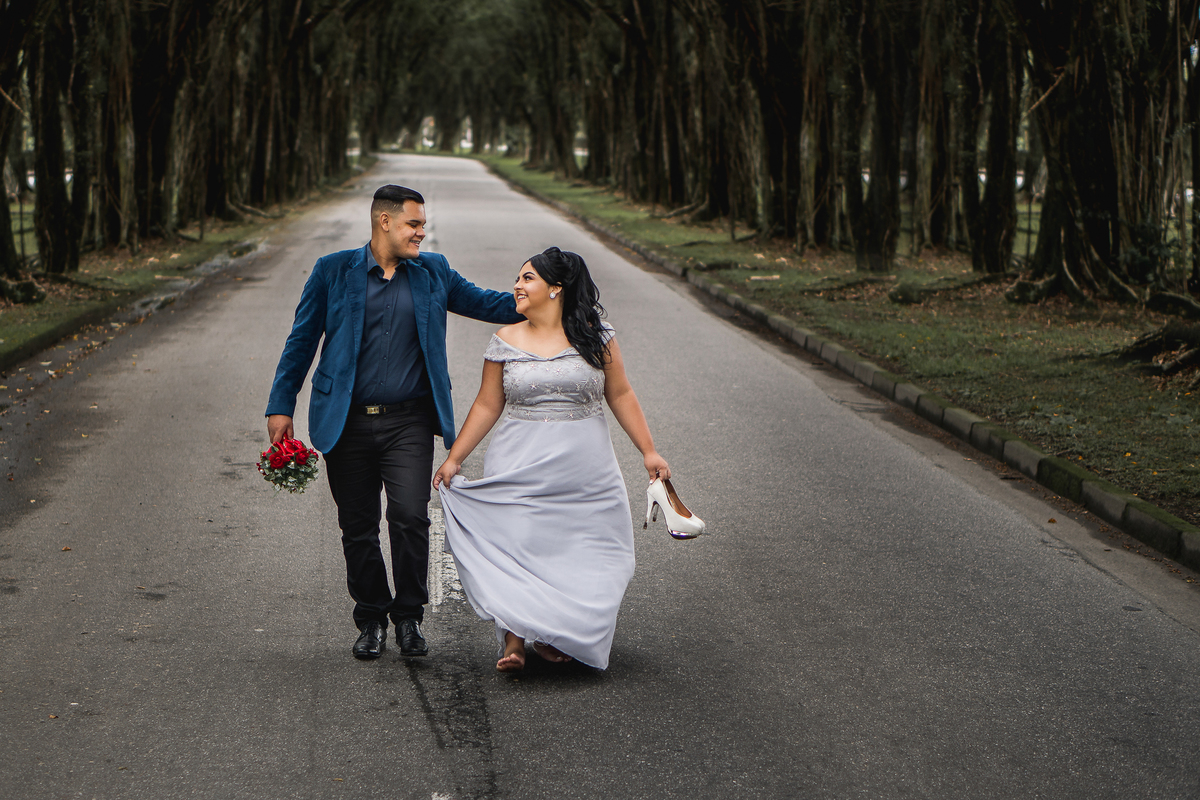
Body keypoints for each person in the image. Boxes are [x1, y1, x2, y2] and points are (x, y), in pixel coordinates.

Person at [265, 184, 523, 660]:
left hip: (409, 422)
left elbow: (488, 303)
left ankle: (408, 617)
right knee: (357, 526)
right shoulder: (332, 271)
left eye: (423, 224)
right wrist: (281, 404)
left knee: (409, 517)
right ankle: (370, 617)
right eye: (414, 224)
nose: (422, 232)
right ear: (385, 221)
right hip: (346, 423)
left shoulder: (433, 272)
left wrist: (547, 298)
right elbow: (301, 341)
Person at [433, 246, 670, 672]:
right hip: (519, 461)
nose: (517, 286)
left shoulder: (597, 336)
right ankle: (513, 638)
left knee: (590, 548)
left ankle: (558, 631)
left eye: (527, 278)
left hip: (586, 467)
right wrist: (455, 458)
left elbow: (620, 393)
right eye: (518, 278)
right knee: (519, 543)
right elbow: (487, 404)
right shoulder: (505, 340)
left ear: (556, 289)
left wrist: (648, 451)